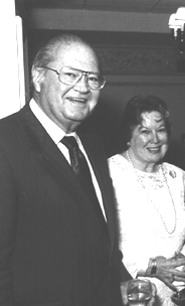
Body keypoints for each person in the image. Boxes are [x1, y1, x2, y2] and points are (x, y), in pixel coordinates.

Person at [0, 34, 157, 306]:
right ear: (38, 77)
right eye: (70, 74)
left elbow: (97, 236)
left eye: (92, 78)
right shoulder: (6, 142)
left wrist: (119, 283)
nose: (83, 87)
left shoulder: (92, 143)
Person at [108, 95, 185, 306]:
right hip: (132, 295)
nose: (155, 139)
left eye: (161, 129)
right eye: (145, 131)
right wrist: (152, 267)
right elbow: (101, 246)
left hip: (176, 296)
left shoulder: (178, 176)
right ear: (129, 136)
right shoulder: (108, 173)